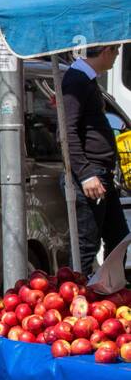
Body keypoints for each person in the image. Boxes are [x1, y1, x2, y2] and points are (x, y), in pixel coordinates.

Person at [62, 43, 130, 274]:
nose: (117, 57)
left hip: (102, 173)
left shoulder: (86, 79)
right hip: (92, 174)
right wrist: (85, 173)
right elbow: (67, 131)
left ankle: (111, 292)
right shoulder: (76, 80)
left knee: (119, 237)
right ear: (105, 51)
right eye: (116, 51)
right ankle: (75, 297)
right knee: (86, 245)